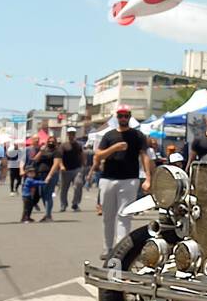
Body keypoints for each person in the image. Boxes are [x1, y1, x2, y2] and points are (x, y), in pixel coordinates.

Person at [97, 105, 154, 259]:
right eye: (121, 116)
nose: (123, 118)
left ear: (129, 117)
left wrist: (148, 178)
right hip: (108, 179)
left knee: (124, 216)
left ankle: (119, 251)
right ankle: (107, 248)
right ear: (117, 117)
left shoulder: (138, 135)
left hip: (129, 179)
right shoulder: (109, 136)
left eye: (126, 116)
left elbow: (145, 156)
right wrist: (113, 148)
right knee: (108, 217)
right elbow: (98, 156)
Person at [21, 137, 55, 223]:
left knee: (35, 197)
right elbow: (22, 161)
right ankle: (25, 217)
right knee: (27, 198)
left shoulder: (42, 149)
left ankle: (29, 215)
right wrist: (21, 170)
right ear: (32, 140)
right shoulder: (27, 149)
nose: (36, 140)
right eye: (35, 139)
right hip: (28, 174)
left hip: (37, 174)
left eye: (38, 139)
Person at [56, 128, 87, 212]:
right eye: (70, 133)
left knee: (79, 184)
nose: (71, 135)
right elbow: (59, 157)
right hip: (66, 170)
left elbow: (82, 154)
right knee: (64, 188)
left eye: (73, 133)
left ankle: (75, 204)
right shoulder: (63, 145)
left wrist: (84, 164)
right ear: (67, 134)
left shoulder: (78, 145)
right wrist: (61, 166)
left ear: (75, 134)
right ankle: (63, 205)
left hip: (77, 169)